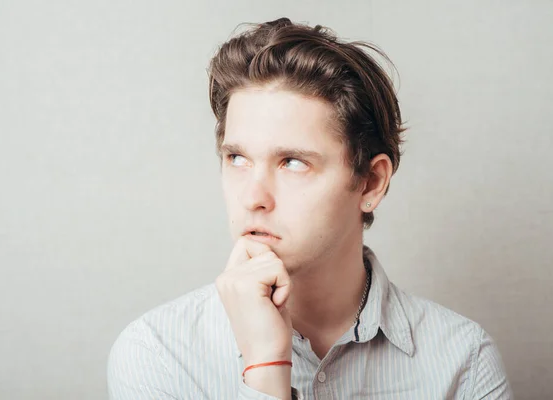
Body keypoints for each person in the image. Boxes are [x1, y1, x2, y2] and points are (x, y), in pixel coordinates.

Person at [107, 17, 512, 400]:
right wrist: (266, 367)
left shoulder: (463, 362)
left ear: (370, 183)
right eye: (237, 158)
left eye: (293, 162)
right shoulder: (157, 352)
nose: (253, 197)